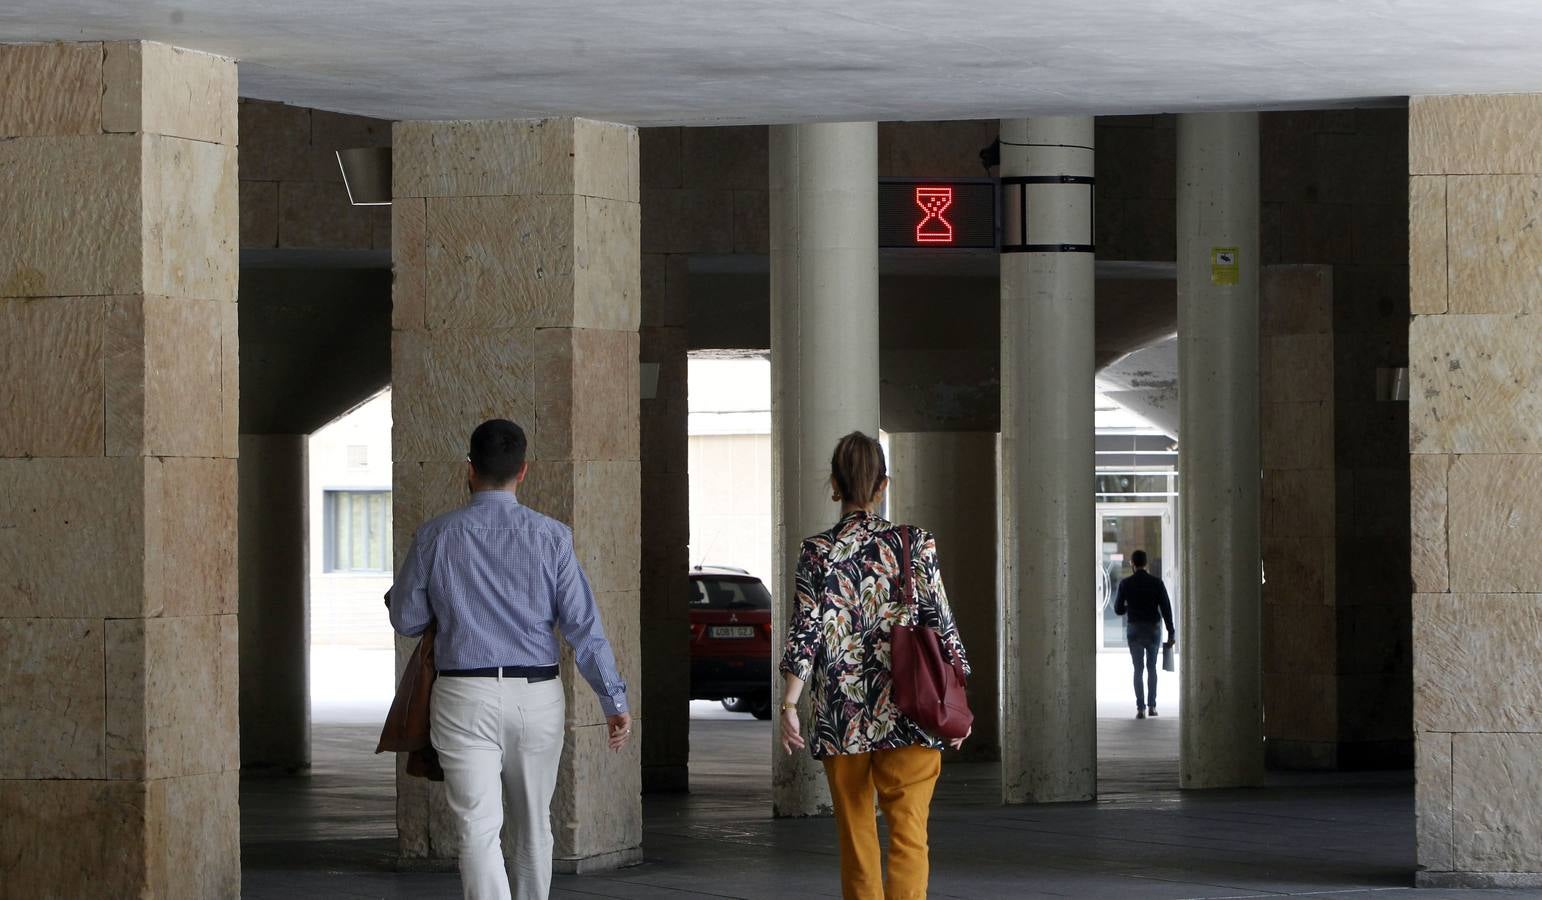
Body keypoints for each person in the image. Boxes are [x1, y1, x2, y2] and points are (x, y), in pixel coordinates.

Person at [388, 419, 631, 900]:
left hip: (463, 695)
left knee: (477, 829)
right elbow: (585, 630)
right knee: (533, 823)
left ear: (469, 470)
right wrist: (613, 700)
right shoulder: (553, 537)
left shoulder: (436, 535)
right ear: (524, 471)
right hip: (537, 695)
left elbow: (407, 620)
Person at [779, 431, 971, 900]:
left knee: (857, 838)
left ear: (834, 485)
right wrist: (958, 702)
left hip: (842, 717)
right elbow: (942, 626)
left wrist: (788, 702)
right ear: (883, 485)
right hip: (913, 709)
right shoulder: (916, 543)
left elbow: (805, 630)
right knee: (909, 835)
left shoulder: (817, 551)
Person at [1112, 549, 1175, 719]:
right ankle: (1152, 706)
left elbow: (1118, 609)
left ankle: (1140, 709)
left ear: (1132, 564)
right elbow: (1166, 609)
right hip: (1153, 628)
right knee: (1152, 668)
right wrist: (1171, 632)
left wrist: (1130, 608)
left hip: (1134, 628)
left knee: (1138, 669)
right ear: (1146, 564)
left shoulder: (1125, 583)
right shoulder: (1157, 583)